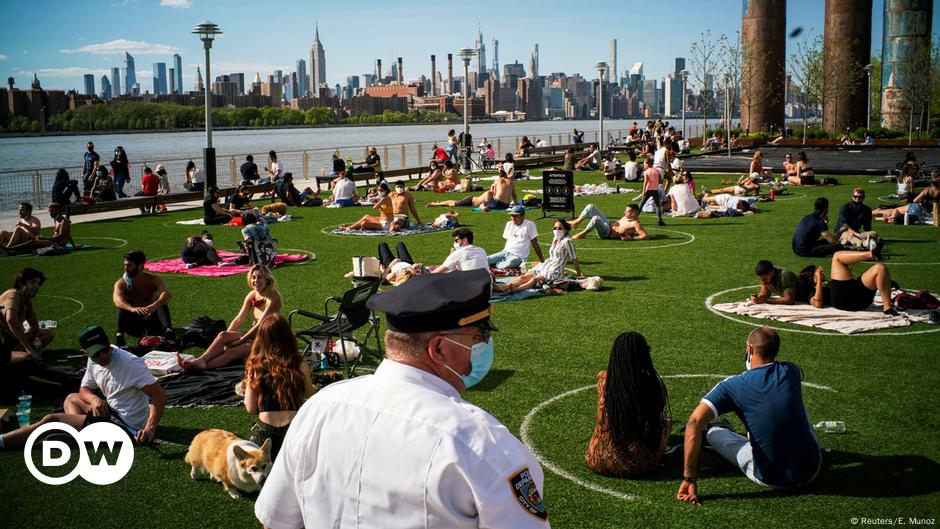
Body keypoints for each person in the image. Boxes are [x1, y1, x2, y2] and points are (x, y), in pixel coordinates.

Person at [255, 270, 550, 528]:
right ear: (439, 349)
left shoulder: (319, 409)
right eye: (478, 335)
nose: (484, 344)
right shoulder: (485, 447)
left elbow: (276, 520)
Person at [676, 327, 820, 505]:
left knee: (713, 434)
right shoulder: (790, 370)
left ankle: (724, 430)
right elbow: (797, 374)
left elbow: (694, 423)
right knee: (797, 406)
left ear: (750, 349)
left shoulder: (731, 386)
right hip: (812, 468)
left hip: (771, 477)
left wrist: (689, 479)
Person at [0, 325, 166, 450]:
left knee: (51, 420)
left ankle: (2, 441)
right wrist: (94, 399)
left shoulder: (130, 364)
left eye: (105, 350)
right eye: (95, 354)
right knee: (71, 398)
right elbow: (84, 390)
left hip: (130, 428)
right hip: (112, 413)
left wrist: (149, 428)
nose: (102, 356)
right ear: (85, 352)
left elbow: (158, 395)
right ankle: (85, 436)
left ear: (109, 343)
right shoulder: (93, 360)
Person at [585, 332, 671, 478]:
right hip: (636, 467)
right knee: (667, 424)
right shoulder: (654, 386)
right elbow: (655, 423)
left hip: (596, 459)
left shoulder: (603, 380)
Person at [178, 266, 283, 371]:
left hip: (268, 340)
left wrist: (241, 340)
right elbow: (239, 318)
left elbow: (261, 323)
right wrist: (228, 336)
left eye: (260, 277)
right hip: (253, 335)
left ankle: (203, 366)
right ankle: (201, 360)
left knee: (232, 351)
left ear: (267, 280)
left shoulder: (274, 297)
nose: (256, 281)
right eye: (253, 277)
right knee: (223, 335)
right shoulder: (252, 294)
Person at [242, 313, 315, 461]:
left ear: (261, 339)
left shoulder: (255, 367)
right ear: (288, 336)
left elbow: (251, 409)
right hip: (295, 429)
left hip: (266, 433)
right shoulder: (299, 364)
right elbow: (310, 393)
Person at [494, 219, 580, 292]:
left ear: (566, 230)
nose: (557, 230)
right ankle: (504, 287)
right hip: (546, 266)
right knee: (523, 277)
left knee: (534, 279)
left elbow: (574, 259)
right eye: (555, 228)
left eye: (560, 228)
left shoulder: (567, 241)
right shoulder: (555, 239)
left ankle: (516, 289)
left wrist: (579, 275)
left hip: (555, 271)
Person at [112, 250, 173, 347]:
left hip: (152, 320)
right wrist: (132, 309)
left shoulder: (153, 279)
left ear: (140, 266)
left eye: (129, 265)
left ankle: (169, 331)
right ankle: (119, 336)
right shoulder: (122, 282)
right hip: (133, 322)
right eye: (125, 265)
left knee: (161, 301)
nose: (126, 268)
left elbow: (167, 294)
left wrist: (153, 306)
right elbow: (117, 299)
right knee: (124, 304)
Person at [809, 251, 898, 315]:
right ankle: (871, 254)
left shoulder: (830, 282)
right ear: (810, 278)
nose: (822, 272)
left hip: (862, 300)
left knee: (880, 268)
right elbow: (817, 303)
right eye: (816, 272)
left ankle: (887, 308)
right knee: (837, 257)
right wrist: (819, 281)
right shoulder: (811, 290)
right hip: (843, 301)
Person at [1, 268, 55, 364]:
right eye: (33, 282)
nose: (36, 286)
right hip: (3, 343)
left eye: (38, 283)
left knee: (48, 334)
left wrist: (28, 339)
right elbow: (11, 320)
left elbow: (34, 326)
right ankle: (26, 353)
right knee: (28, 357)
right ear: (22, 283)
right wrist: (28, 348)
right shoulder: (13, 294)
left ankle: (21, 351)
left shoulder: (25, 300)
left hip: (12, 341)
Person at [427, 170, 517, 211]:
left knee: (454, 203)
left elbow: (495, 195)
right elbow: (513, 196)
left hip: (475, 201)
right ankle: (436, 204)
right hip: (471, 201)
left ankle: (437, 203)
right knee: (452, 203)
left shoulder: (492, 192)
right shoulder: (489, 194)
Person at [873, 177, 940, 224]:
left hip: (918, 207)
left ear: (932, 184)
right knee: (897, 212)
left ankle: (878, 212)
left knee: (896, 210)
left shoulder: (927, 190)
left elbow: (915, 200)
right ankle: (879, 212)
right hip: (926, 214)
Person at [570, 203, 649, 241]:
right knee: (591, 206)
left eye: (627, 211)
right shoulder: (627, 216)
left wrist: (631, 238)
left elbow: (645, 236)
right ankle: (576, 222)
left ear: (633, 213)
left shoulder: (636, 223)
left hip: (607, 233)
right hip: (608, 223)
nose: (624, 212)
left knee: (596, 218)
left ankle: (582, 234)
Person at [642, 157, 665, 226]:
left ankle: (635, 218)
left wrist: (643, 190)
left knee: (641, 204)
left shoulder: (646, 172)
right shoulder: (657, 171)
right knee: (658, 206)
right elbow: (661, 179)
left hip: (648, 190)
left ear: (647, 164)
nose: (644, 165)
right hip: (655, 190)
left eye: (644, 164)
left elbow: (645, 182)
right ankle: (660, 220)